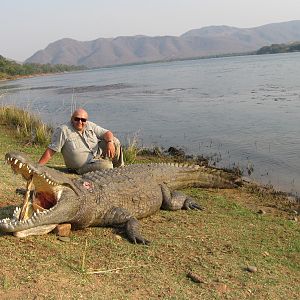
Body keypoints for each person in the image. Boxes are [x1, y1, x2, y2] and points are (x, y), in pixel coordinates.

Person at [38, 108, 124, 174]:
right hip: (81, 167)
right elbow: (51, 150)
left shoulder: (90, 125)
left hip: (96, 157)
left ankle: (121, 170)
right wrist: (37, 167)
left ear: (86, 121)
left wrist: (110, 142)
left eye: (83, 120)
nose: (80, 122)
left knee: (115, 141)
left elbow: (107, 133)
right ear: (72, 119)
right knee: (107, 166)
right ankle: (111, 170)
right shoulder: (63, 130)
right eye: (77, 119)